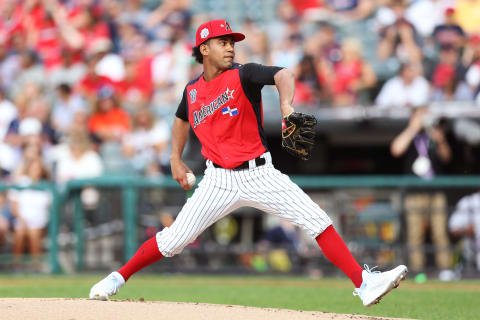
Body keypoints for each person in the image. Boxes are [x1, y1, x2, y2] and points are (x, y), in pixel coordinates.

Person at [89, 19, 407, 306]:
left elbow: (284, 73)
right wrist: (175, 158)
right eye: (223, 42)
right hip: (217, 180)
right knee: (173, 240)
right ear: (204, 49)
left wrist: (286, 105)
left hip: (260, 173)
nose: (230, 47)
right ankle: (117, 277)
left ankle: (364, 283)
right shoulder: (192, 91)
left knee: (317, 219)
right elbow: (180, 120)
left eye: (232, 42)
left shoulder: (244, 74)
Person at [390, 107, 452, 275]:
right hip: (414, 193)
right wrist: (413, 128)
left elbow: (447, 157)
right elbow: (396, 149)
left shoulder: (435, 134)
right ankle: (418, 271)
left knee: (440, 232)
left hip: (435, 190)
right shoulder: (410, 134)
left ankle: (445, 270)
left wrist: (440, 140)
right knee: (414, 234)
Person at [448, 191, 480, 272]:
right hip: (471, 246)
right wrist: (468, 231)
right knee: (461, 245)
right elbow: (453, 229)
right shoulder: (468, 201)